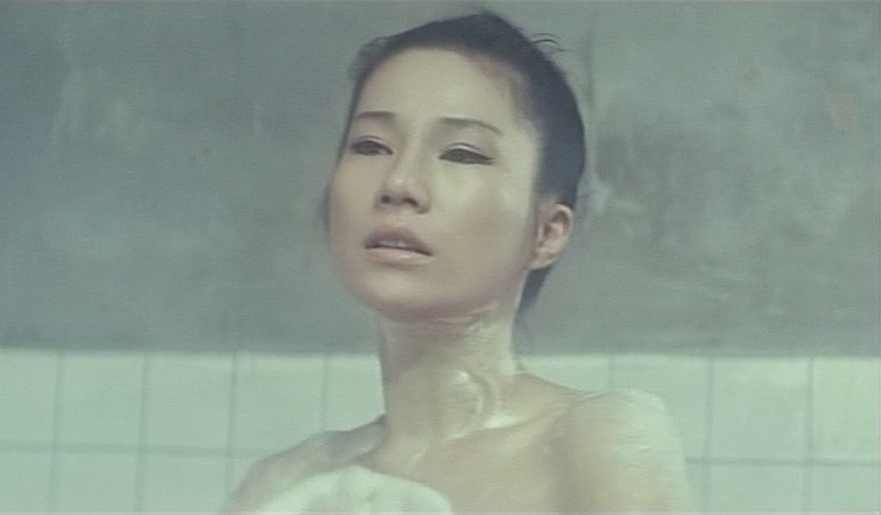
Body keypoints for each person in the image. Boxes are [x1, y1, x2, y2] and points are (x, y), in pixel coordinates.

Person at [225, 10, 692, 513]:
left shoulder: (594, 440)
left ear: (547, 232)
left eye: (462, 154)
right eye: (371, 146)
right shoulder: (288, 486)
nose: (399, 183)